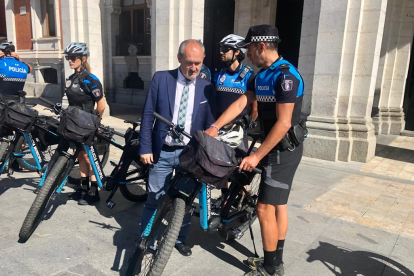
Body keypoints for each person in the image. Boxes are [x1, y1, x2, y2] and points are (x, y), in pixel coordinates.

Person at [205, 25, 305, 276]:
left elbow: (283, 123)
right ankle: (276, 261)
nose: (246, 54)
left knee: (264, 208)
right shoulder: (260, 75)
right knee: (278, 206)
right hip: (273, 145)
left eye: (248, 48)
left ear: (261, 46)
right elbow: (241, 102)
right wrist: (215, 127)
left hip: (284, 149)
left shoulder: (286, 76)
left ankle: (270, 268)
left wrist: (257, 156)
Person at [139, 39, 215, 257]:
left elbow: (211, 124)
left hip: (189, 155)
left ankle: (179, 239)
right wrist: (145, 148)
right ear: (179, 58)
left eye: (198, 63)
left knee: (185, 202)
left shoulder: (206, 87)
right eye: (189, 62)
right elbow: (147, 115)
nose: (193, 68)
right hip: (161, 151)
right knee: (154, 198)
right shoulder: (162, 78)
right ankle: (147, 238)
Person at [64, 42, 106, 206]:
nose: (70, 61)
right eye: (68, 58)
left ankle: (94, 192)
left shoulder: (91, 79)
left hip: (88, 125)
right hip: (74, 124)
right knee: (80, 155)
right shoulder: (71, 78)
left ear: (83, 58)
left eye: (73, 58)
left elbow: (101, 105)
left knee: (89, 157)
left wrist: (95, 121)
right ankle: (83, 188)